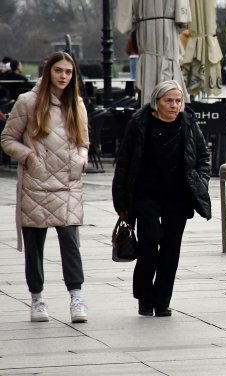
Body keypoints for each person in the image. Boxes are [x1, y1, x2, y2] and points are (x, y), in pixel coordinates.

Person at [1, 52, 90, 323]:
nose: (63, 76)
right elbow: (7, 138)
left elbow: (84, 142)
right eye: (58, 71)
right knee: (34, 246)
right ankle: (37, 298)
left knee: (70, 243)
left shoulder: (77, 103)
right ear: (48, 71)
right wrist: (29, 157)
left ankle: (76, 297)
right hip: (36, 182)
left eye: (68, 71)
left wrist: (80, 161)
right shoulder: (27, 102)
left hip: (67, 184)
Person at [112, 80, 211, 317]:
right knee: (149, 243)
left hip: (178, 196)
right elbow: (124, 163)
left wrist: (200, 182)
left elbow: (203, 157)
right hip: (145, 195)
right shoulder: (139, 123)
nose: (174, 105)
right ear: (156, 102)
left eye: (178, 101)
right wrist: (121, 202)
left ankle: (162, 300)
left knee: (171, 249)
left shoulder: (188, 123)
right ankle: (144, 298)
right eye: (169, 100)